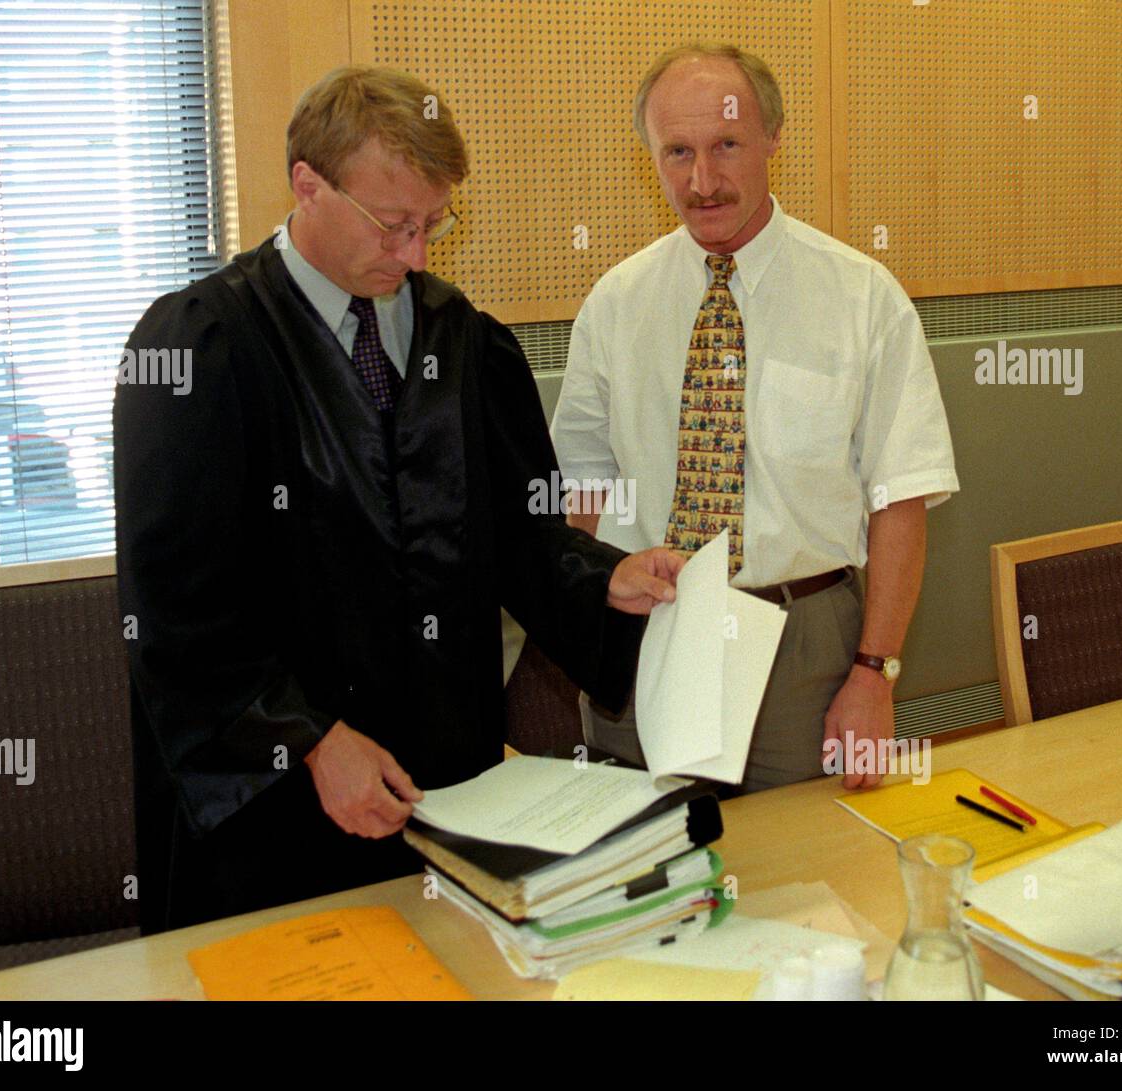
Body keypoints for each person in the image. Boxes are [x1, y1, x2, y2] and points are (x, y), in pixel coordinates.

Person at [114, 66, 682, 934]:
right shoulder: (202, 347)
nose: (416, 254)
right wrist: (307, 739)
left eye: (433, 224)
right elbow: (175, 613)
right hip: (274, 809)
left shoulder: (462, 339)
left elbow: (520, 536)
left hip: (445, 788)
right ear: (308, 185)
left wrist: (603, 576)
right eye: (393, 224)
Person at [550, 43, 958, 792]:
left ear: (773, 137)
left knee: (812, 856)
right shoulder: (616, 303)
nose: (702, 181)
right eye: (677, 152)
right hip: (650, 635)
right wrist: (589, 626)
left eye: (727, 146)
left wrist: (874, 672)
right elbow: (583, 488)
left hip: (803, 650)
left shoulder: (861, 297)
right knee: (648, 854)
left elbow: (899, 496)